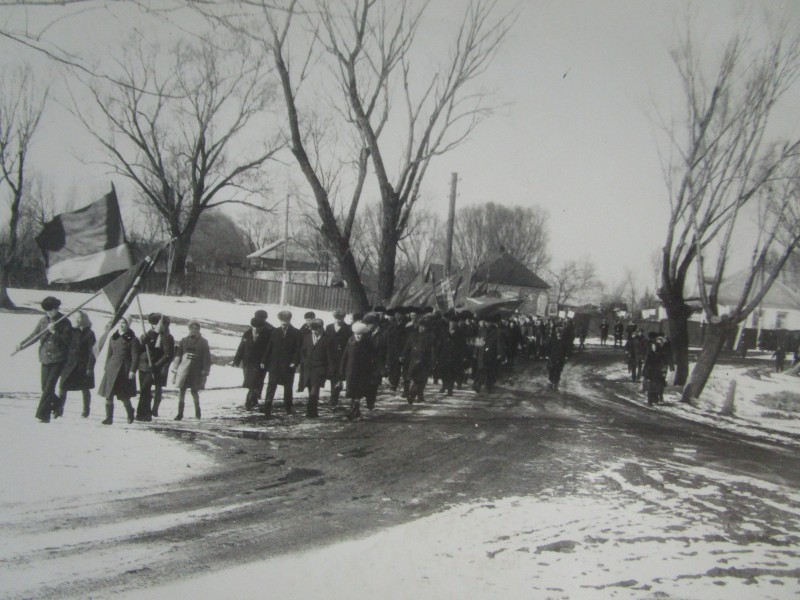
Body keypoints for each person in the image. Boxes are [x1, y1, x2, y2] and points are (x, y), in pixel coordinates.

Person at [17, 296, 72, 423]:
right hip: (45, 358)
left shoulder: (64, 322)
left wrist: (54, 332)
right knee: (44, 387)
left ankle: (43, 415)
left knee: (49, 387)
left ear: (57, 308)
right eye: (46, 311)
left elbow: (68, 341)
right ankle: (58, 404)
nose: (49, 313)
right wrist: (22, 344)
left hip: (59, 358)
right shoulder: (43, 321)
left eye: (51, 310)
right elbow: (35, 335)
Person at [97, 317, 140, 425]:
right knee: (108, 394)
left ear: (128, 324)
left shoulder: (133, 339)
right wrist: (106, 367)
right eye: (120, 323)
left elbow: (135, 356)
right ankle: (109, 418)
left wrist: (132, 370)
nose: (121, 325)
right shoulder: (113, 337)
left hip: (124, 370)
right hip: (112, 368)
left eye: (124, 323)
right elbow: (109, 353)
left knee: (124, 396)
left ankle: (130, 412)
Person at [260, 310, 302, 417]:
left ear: (289, 320)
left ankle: (288, 407)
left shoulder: (296, 333)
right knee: (271, 386)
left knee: (288, 387)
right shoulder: (275, 332)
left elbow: (298, 350)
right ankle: (267, 407)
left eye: (286, 320)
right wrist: (264, 360)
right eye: (282, 320)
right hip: (274, 365)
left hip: (288, 366)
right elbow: (269, 347)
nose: (284, 323)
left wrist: (294, 361)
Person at [57, 310, 96, 418]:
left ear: (84, 319)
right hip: (69, 364)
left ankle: (86, 410)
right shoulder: (70, 331)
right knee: (63, 387)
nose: (77, 320)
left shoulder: (89, 333)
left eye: (79, 318)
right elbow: (63, 341)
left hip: (82, 366)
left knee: (85, 388)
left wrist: (89, 367)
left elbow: (92, 352)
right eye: (75, 318)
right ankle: (59, 409)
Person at [136, 313, 175, 421]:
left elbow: (167, 354)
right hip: (142, 366)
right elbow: (141, 344)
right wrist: (151, 334)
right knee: (144, 390)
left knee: (146, 389)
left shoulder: (167, 337)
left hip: (154, 368)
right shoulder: (149, 334)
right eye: (154, 324)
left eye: (158, 324)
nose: (155, 326)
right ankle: (144, 413)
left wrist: (156, 365)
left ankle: (145, 413)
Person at [170, 321, 212, 420]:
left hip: (196, 371)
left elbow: (207, 358)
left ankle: (198, 412)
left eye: (196, 328)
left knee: (194, 391)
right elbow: (178, 355)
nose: (194, 330)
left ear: (199, 329)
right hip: (184, 370)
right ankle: (180, 413)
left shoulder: (203, 342)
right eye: (192, 328)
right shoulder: (184, 341)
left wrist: (205, 371)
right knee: (182, 390)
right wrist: (175, 369)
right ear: (189, 329)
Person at [339, 321, 378, 420]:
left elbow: (375, 357)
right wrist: (341, 372)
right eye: (357, 334)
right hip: (351, 372)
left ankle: (353, 412)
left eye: (360, 334)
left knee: (358, 393)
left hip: (363, 372)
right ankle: (356, 413)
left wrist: (376, 371)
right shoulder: (350, 341)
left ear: (364, 335)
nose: (358, 336)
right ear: (354, 333)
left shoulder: (368, 343)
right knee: (352, 393)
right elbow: (344, 357)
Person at [233, 316, 270, 410]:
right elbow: (241, 347)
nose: (256, 329)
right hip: (248, 362)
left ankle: (249, 400)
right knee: (249, 381)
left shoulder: (266, 335)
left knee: (255, 381)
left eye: (258, 327)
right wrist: (236, 360)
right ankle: (254, 397)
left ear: (262, 327)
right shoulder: (247, 334)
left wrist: (265, 361)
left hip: (260, 363)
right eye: (254, 326)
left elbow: (268, 350)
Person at [299, 319, 331, 417]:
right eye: (313, 329)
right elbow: (303, 351)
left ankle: (310, 412)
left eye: (317, 329)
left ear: (322, 328)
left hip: (320, 368)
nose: (315, 331)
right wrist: (303, 362)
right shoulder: (307, 338)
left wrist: (330, 370)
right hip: (308, 368)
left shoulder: (327, 339)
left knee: (314, 389)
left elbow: (330, 356)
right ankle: (314, 411)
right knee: (310, 390)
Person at [402, 316, 435, 404]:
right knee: (418, 379)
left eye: (424, 326)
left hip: (425, 361)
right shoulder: (413, 335)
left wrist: (433, 360)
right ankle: (412, 394)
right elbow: (407, 346)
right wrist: (403, 355)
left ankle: (418, 396)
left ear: (427, 327)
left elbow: (433, 350)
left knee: (422, 380)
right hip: (414, 360)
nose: (421, 328)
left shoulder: (430, 337)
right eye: (420, 326)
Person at [324, 309, 351, 406]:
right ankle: (334, 397)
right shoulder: (329, 327)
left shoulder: (348, 329)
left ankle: (334, 397)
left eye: (341, 319)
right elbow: (326, 341)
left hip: (343, 356)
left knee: (339, 376)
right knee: (333, 376)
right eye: (337, 318)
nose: (338, 320)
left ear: (344, 318)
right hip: (330, 356)